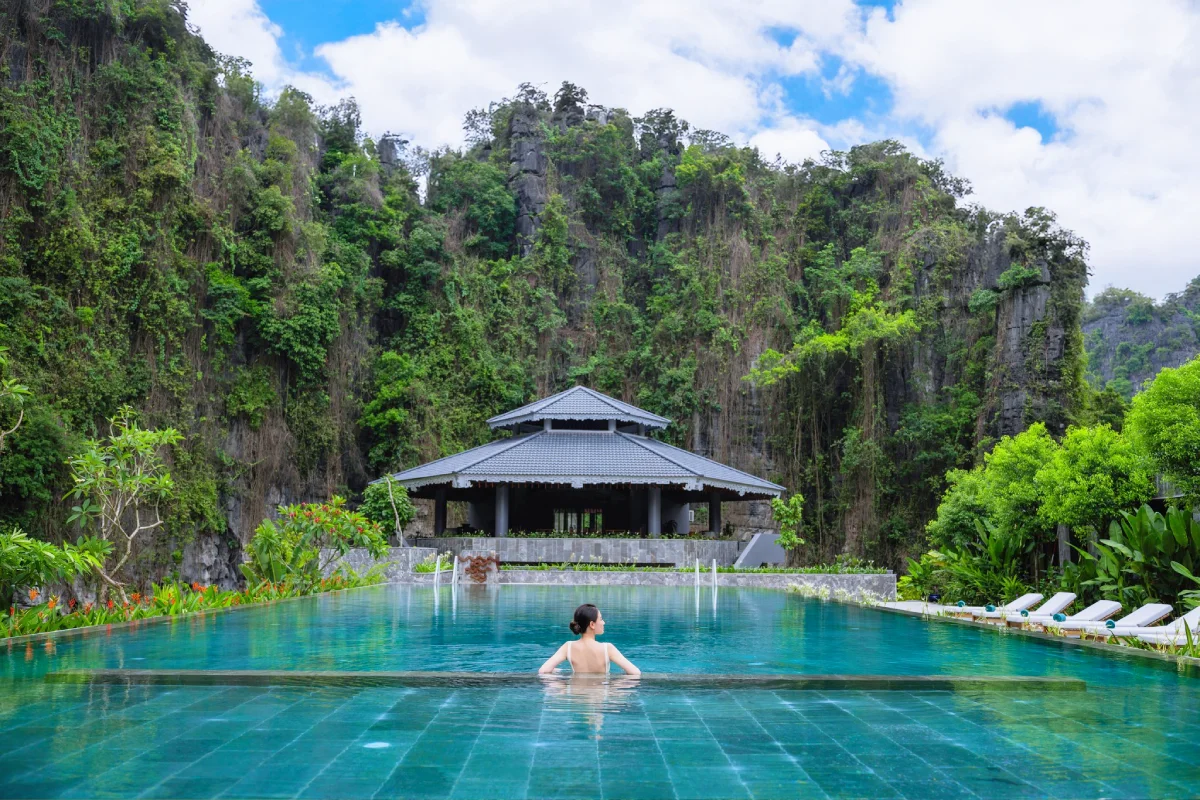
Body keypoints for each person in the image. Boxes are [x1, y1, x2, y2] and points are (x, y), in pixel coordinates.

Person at [538, 603, 640, 675]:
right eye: (600, 619)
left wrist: (562, 681)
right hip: (600, 697)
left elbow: (543, 671)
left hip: (577, 695)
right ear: (592, 624)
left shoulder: (568, 646)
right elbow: (635, 673)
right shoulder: (607, 648)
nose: (603, 622)